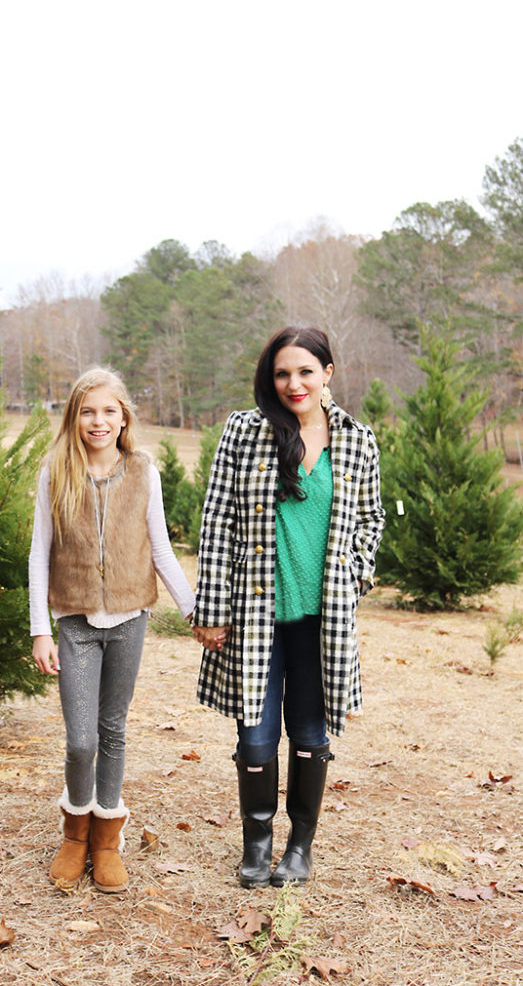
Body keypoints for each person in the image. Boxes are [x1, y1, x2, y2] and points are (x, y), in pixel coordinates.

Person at [193, 327, 384, 889]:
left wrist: (354, 575)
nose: (293, 383)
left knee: (308, 733)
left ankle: (299, 848)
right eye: (281, 373)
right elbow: (217, 521)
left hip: (321, 619)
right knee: (254, 736)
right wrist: (210, 606)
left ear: (328, 371)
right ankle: (257, 845)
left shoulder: (357, 441)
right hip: (254, 616)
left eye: (304, 371)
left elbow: (372, 521)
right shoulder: (244, 432)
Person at [30, 367, 195, 893]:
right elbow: (39, 554)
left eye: (109, 410)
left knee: (113, 730)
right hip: (75, 622)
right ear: (74, 418)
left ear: (124, 416)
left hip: (128, 620)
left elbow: (162, 549)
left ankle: (105, 839)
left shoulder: (143, 471)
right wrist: (40, 629)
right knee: (81, 741)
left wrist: (196, 611)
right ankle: (75, 830)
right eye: (87, 411)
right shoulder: (55, 470)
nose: (98, 421)